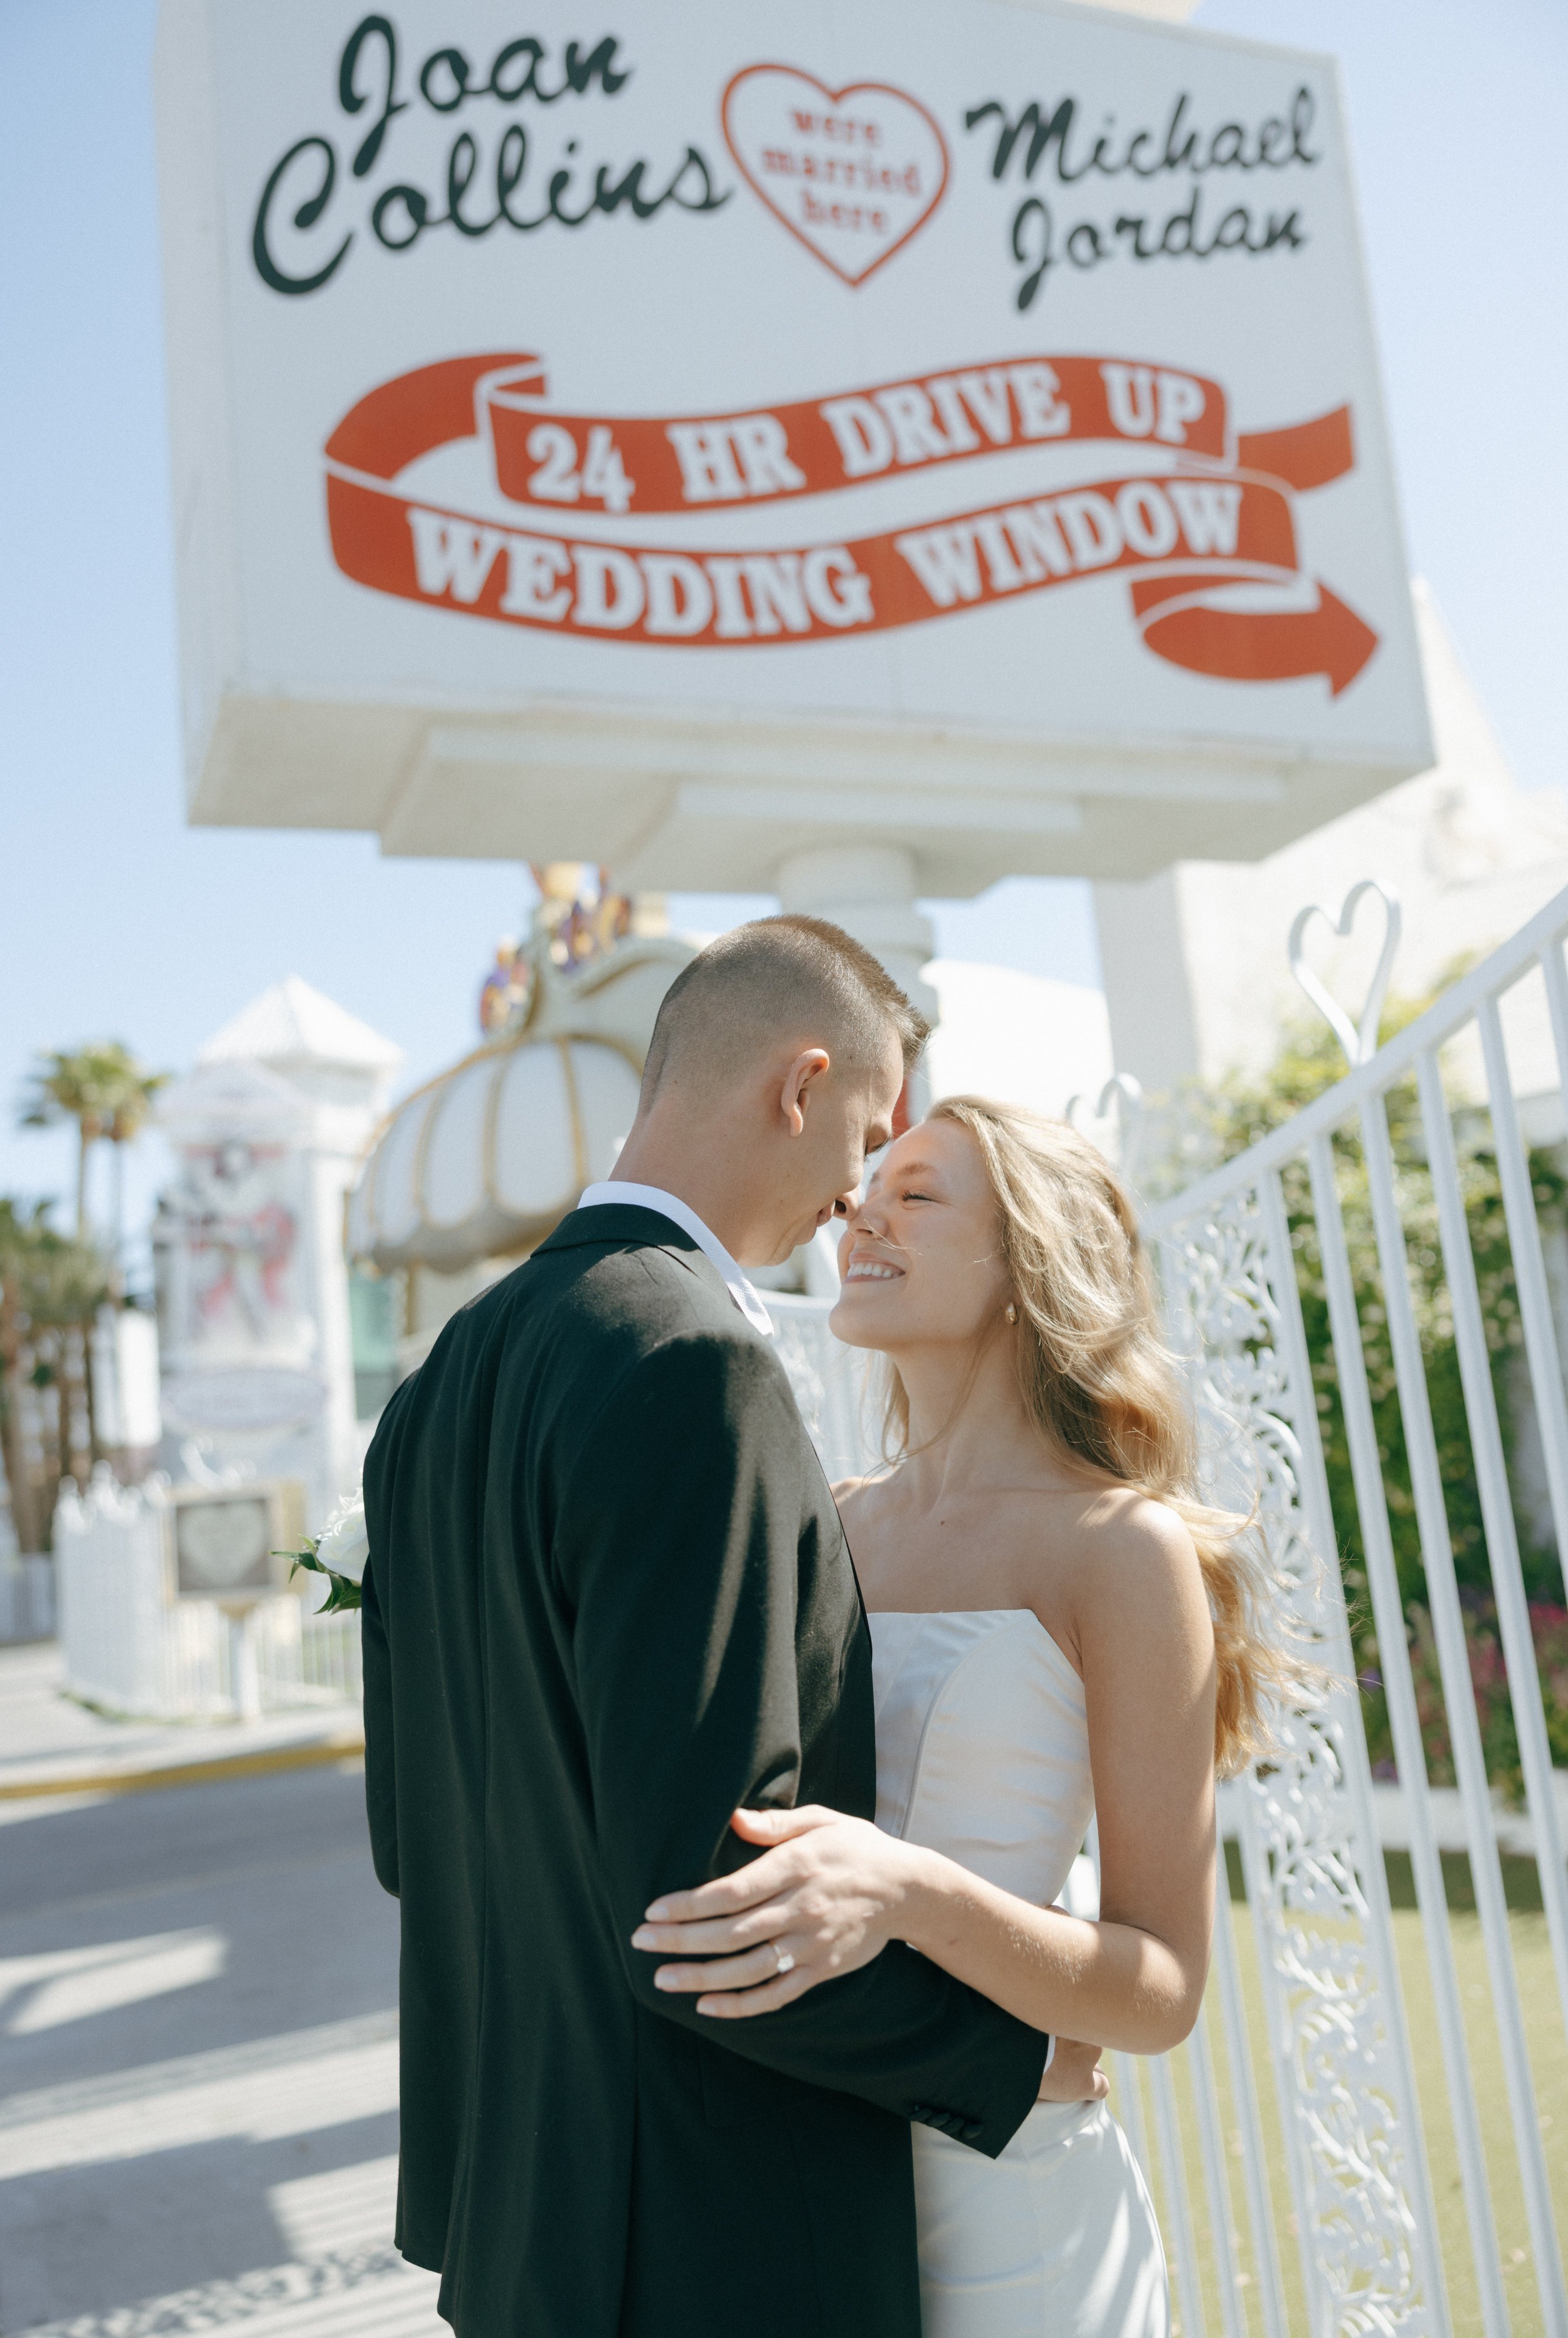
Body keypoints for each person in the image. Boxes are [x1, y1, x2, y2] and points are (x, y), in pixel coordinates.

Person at [359, 925, 1103, 2338]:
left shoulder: (437, 1385)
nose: (854, 1192)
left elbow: (413, 1835)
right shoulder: (692, 1362)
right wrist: (1010, 2055)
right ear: (799, 1083)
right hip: (705, 2243)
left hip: (518, 2227)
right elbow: (710, 1904)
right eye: (867, 1132)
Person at [634, 1097, 1304, 2338]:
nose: (859, 1211)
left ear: (1024, 1262)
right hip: (803, 2181)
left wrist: (906, 1889)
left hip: (1013, 2220)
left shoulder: (1119, 1548)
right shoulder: (824, 1520)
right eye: (866, 1187)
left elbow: (1158, 1988)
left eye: (918, 1193)